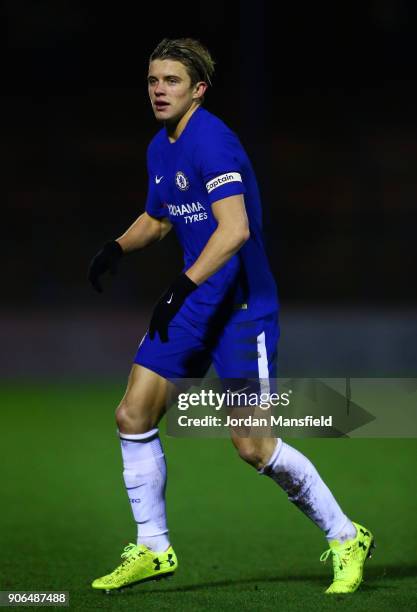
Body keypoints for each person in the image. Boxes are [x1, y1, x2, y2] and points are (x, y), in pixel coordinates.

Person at [88, 37, 374, 595]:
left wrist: (181, 284)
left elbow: (235, 230)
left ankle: (346, 536)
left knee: (252, 446)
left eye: (170, 81)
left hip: (241, 308)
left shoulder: (213, 142)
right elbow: (161, 218)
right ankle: (153, 547)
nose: (158, 90)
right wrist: (118, 247)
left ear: (198, 89)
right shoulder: (160, 146)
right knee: (133, 415)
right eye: (152, 80)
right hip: (194, 303)